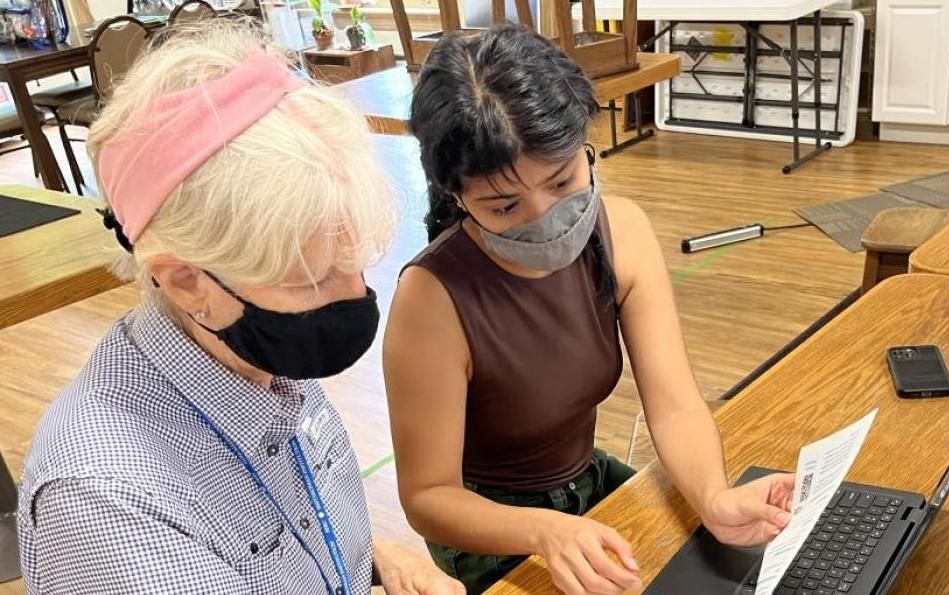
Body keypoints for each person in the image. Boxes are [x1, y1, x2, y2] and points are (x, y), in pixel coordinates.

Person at [16, 21, 463, 595]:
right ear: (184, 281)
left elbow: (281, 536)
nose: (351, 294)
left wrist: (379, 556)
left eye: (351, 261)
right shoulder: (110, 506)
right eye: (310, 279)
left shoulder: (245, 351)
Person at [383, 25, 795, 595]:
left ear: (586, 142)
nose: (543, 215)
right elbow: (429, 497)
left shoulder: (621, 230)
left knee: (726, 569)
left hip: (586, 483)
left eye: (562, 180)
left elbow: (674, 403)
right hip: (491, 530)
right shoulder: (432, 299)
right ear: (456, 197)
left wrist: (714, 496)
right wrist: (543, 531)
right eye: (504, 206)